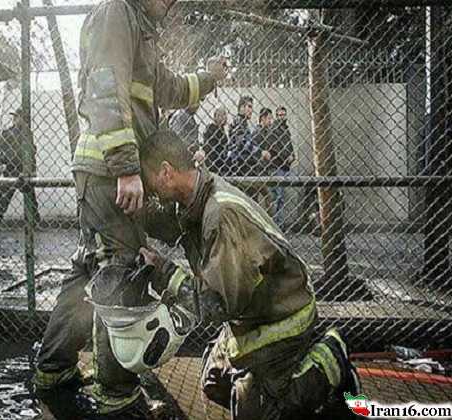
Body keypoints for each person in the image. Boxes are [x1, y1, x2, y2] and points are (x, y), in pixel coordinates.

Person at [33, 0, 227, 416]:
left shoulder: (139, 27)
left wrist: (209, 79)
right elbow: (105, 87)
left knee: (90, 268)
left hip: (104, 172)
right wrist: (126, 168)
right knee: (121, 272)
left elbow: (169, 88)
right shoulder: (116, 12)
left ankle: (53, 369)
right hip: (111, 171)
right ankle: (116, 394)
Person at [139, 129, 362, 420]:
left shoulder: (221, 215)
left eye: (149, 181)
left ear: (166, 172)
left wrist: (163, 272)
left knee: (254, 412)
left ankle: (331, 363)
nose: (149, 190)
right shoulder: (195, 196)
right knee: (214, 382)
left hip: (282, 316)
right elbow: (169, 225)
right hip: (251, 313)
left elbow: (216, 304)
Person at [0, 109, 40, 228]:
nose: (15, 119)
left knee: (30, 197)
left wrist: (33, 169)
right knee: (5, 197)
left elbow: (31, 153)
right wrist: (0, 164)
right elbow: (0, 150)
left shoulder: (27, 134)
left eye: (18, 117)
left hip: (23, 169)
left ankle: (34, 222)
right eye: (15, 117)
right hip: (11, 168)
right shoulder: (7, 133)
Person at [269, 105, 295, 228]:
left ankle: (278, 223)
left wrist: (293, 156)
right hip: (277, 166)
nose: (281, 117)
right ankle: (277, 225)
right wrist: (287, 157)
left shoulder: (286, 130)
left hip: (285, 167)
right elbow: (275, 148)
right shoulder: (274, 130)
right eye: (279, 115)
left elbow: (289, 146)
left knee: (281, 197)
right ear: (276, 116)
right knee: (278, 197)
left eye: (283, 115)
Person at [203, 106, 229, 174]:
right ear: (215, 117)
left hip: (221, 162)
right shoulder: (211, 129)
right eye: (220, 115)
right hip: (213, 162)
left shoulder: (222, 130)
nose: (224, 117)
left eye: (224, 114)